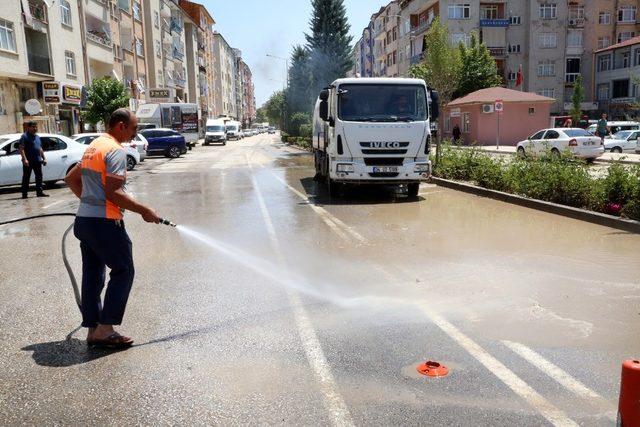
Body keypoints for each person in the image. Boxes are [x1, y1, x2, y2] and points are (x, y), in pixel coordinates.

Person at [65, 109, 160, 349]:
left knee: (93, 275)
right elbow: (114, 193)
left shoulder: (94, 146)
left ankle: (93, 330)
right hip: (105, 224)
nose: (135, 133)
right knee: (123, 270)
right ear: (120, 126)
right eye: (134, 128)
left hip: (85, 222)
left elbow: (71, 179)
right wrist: (144, 210)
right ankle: (106, 329)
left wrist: (88, 202)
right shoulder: (115, 150)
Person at [19, 121, 48, 199]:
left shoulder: (37, 137)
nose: (35, 128)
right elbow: (21, 149)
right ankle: (24, 194)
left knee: (39, 176)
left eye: (36, 127)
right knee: (26, 177)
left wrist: (44, 158)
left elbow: (40, 148)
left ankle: (39, 192)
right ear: (28, 127)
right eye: (33, 127)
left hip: (37, 160)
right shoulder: (24, 136)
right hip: (28, 161)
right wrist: (25, 159)